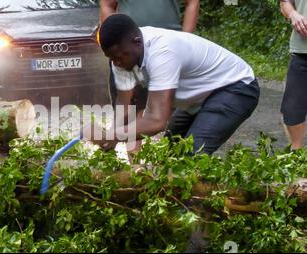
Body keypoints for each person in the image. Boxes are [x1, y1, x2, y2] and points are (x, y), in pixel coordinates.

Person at [88, 14, 260, 155]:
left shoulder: (162, 52)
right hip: (198, 98)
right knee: (170, 152)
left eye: (120, 56)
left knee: (192, 154)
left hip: (235, 87)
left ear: (137, 42)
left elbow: (156, 120)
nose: (117, 63)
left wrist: (114, 135)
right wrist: (108, 142)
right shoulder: (119, 59)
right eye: (111, 58)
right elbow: (124, 105)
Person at [100, 0, 199, 152]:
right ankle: (136, 166)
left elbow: (192, 2)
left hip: (166, 49)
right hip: (127, 50)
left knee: (163, 111)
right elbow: (107, 5)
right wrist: (114, 44)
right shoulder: (120, 60)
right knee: (132, 108)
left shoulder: (168, 50)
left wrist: (186, 40)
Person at [280, 0, 307, 150]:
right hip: (301, 51)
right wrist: (293, 14)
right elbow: (285, 2)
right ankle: (296, 155)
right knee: (292, 110)